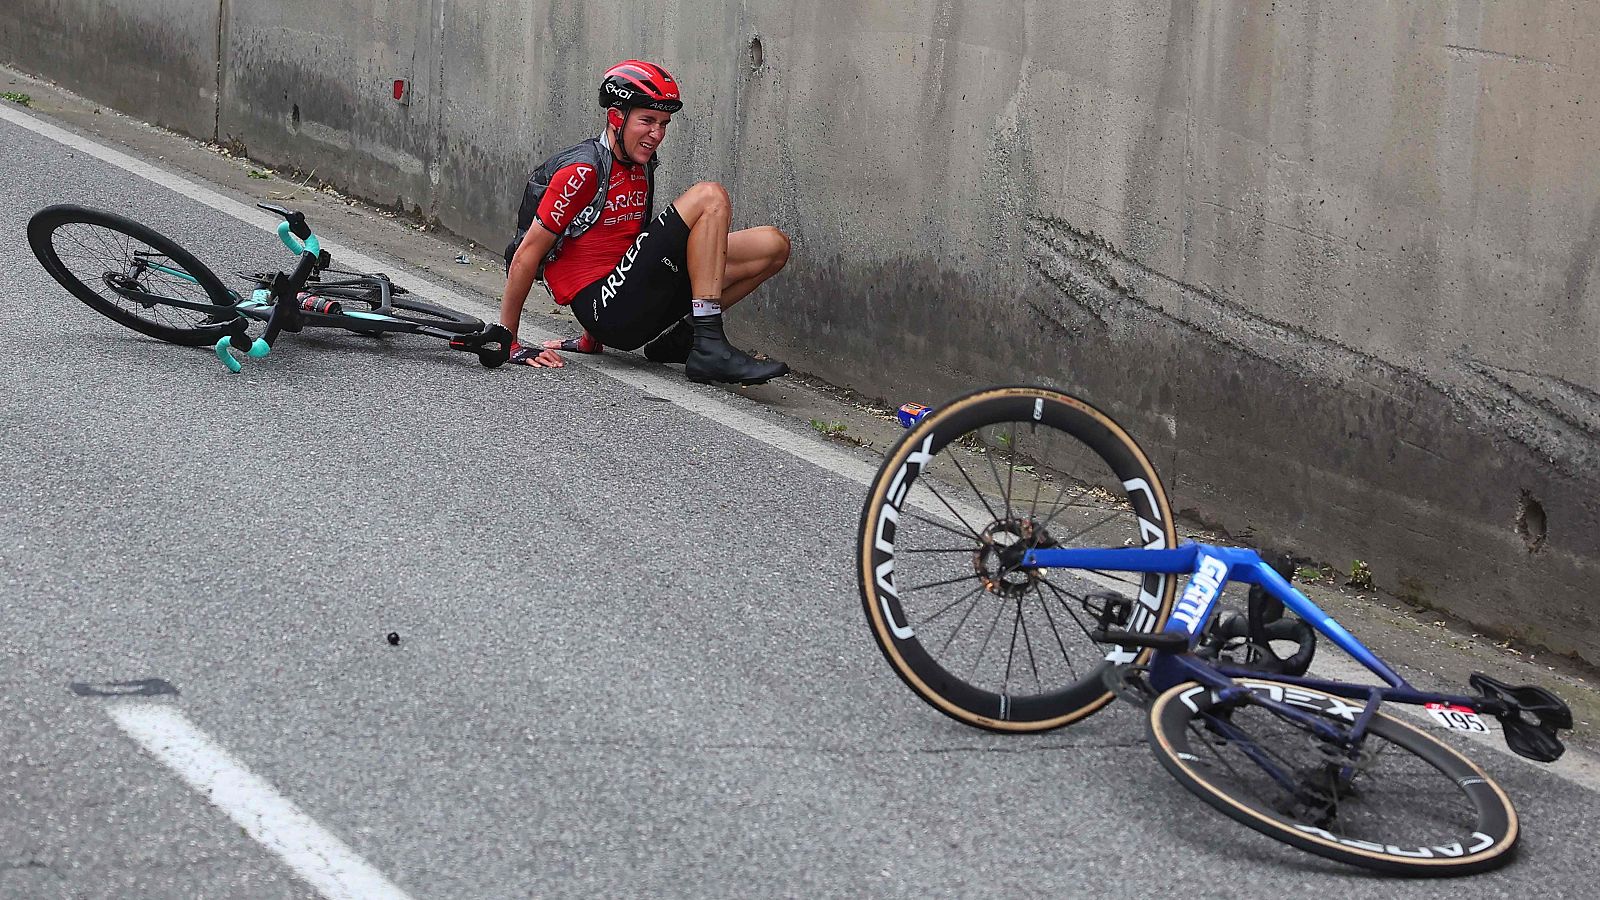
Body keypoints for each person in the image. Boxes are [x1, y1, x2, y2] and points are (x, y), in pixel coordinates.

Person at [497, 60, 790, 384]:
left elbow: (618, 246)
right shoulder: (583, 171)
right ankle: (709, 346)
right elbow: (527, 254)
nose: (657, 134)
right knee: (710, 197)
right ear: (615, 117)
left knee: (773, 245)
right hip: (607, 311)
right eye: (647, 121)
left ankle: (682, 340)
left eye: (663, 123)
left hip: (631, 301)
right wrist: (507, 342)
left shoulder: (640, 165)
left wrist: (588, 341)